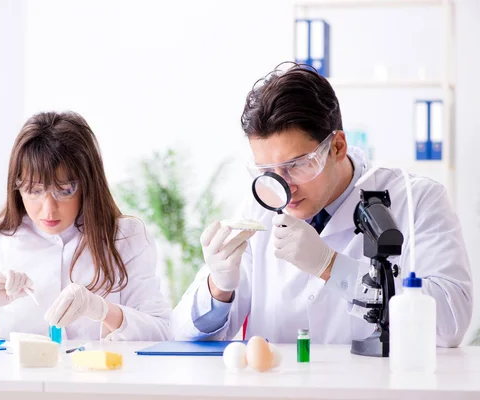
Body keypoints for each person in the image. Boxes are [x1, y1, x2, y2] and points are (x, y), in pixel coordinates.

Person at [172, 63, 473, 347]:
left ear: (338, 147)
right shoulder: (259, 209)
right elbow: (181, 334)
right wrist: (219, 288)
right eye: (267, 171)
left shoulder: (417, 199)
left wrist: (331, 267)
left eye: (296, 165)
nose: (283, 187)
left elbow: (451, 323)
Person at [0, 111, 170, 341]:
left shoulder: (126, 238)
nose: (48, 209)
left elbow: (161, 331)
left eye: (65, 190)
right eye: (33, 190)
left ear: (88, 184)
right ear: (16, 187)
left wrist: (102, 310)